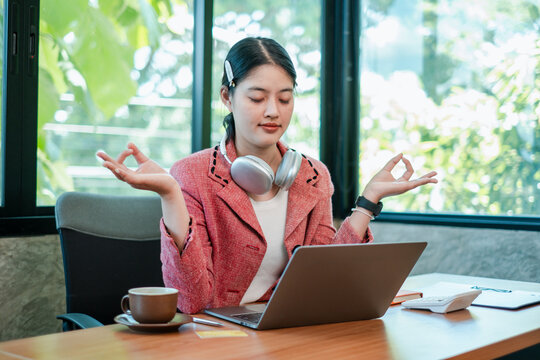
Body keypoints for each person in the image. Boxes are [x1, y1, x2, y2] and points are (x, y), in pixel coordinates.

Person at [97, 37, 437, 314]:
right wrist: (171, 194)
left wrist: (367, 202)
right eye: (258, 98)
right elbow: (191, 301)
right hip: (220, 338)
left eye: (285, 99)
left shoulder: (311, 174)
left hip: (287, 331)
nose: (274, 111)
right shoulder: (193, 174)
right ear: (227, 97)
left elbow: (325, 280)